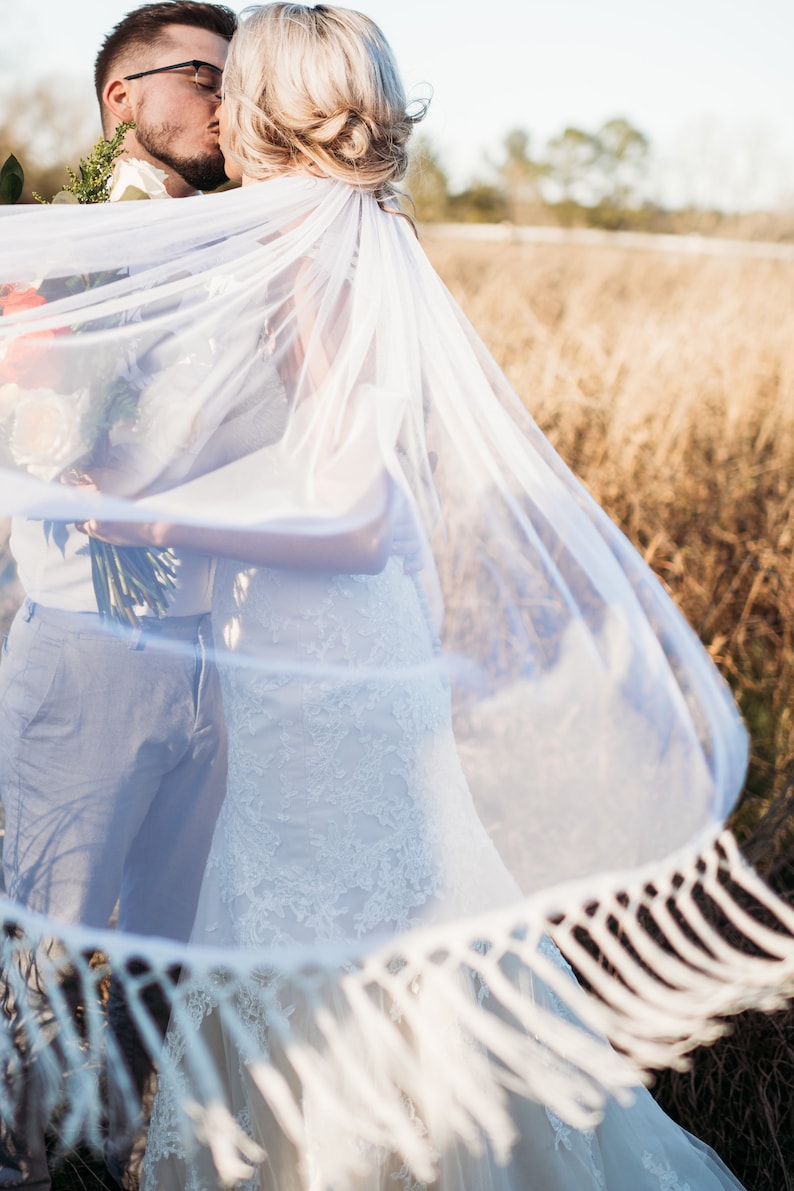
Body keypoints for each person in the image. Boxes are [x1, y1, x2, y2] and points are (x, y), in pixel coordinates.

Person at [54, 5, 749, 1187]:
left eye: (237, 85)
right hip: (328, 649)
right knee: (340, 913)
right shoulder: (349, 231)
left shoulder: (317, 248)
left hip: (329, 655)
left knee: (332, 920)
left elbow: (347, 510)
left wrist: (156, 517)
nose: (216, 106)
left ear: (269, 102)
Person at [0, 4, 237, 1188]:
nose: (225, 100)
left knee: (162, 949)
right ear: (122, 99)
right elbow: (27, 428)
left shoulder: (254, 247)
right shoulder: (53, 252)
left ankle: (109, 1144)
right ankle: (23, 1160)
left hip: (221, 648)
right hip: (86, 644)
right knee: (47, 936)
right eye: (202, 75)